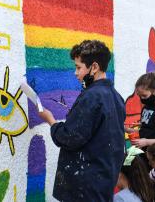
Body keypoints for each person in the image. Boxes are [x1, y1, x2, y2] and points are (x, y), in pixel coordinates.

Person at [38, 40, 126, 202]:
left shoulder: (92, 96)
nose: (75, 73)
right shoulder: (116, 97)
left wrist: (50, 120)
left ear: (94, 67)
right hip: (102, 184)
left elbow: (69, 137)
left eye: (78, 67)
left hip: (85, 189)